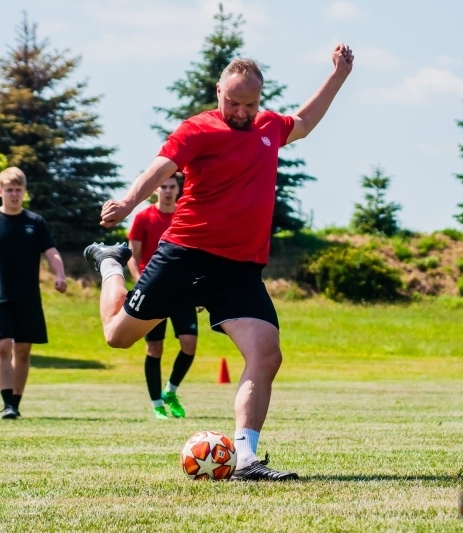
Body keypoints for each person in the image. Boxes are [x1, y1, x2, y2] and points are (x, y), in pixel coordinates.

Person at [85, 44, 354, 480]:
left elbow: (304, 123)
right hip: (186, 255)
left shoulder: (269, 127)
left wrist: (338, 75)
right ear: (218, 92)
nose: (242, 113)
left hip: (239, 269)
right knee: (118, 336)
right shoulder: (198, 129)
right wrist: (130, 203)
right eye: (233, 103)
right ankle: (111, 264)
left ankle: (246, 458)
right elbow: (161, 168)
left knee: (266, 354)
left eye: (250, 104)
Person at [0, 166, 68, 420]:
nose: (14, 194)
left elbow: (51, 251)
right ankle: (7, 403)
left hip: (28, 296)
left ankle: (15, 403)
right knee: (3, 345)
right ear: (0, 191)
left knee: (23, 350)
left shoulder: (35, 222)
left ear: (24, 191)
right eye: (9, 190)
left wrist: (60, 275)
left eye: (18, 190)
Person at [127, 173, 198, 420]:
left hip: (182, 291)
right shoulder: (143, 218)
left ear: (178, 189)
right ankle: (157, 405)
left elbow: (196, 254)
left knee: (189, 344)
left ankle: (170, 391)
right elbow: (133, 257)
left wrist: (199, 288)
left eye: (171, 187)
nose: (167, 191)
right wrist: (141, 285)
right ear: (156, 190)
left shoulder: (186, 215)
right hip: (153, 291)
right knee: (154, 348)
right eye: (163, 187)